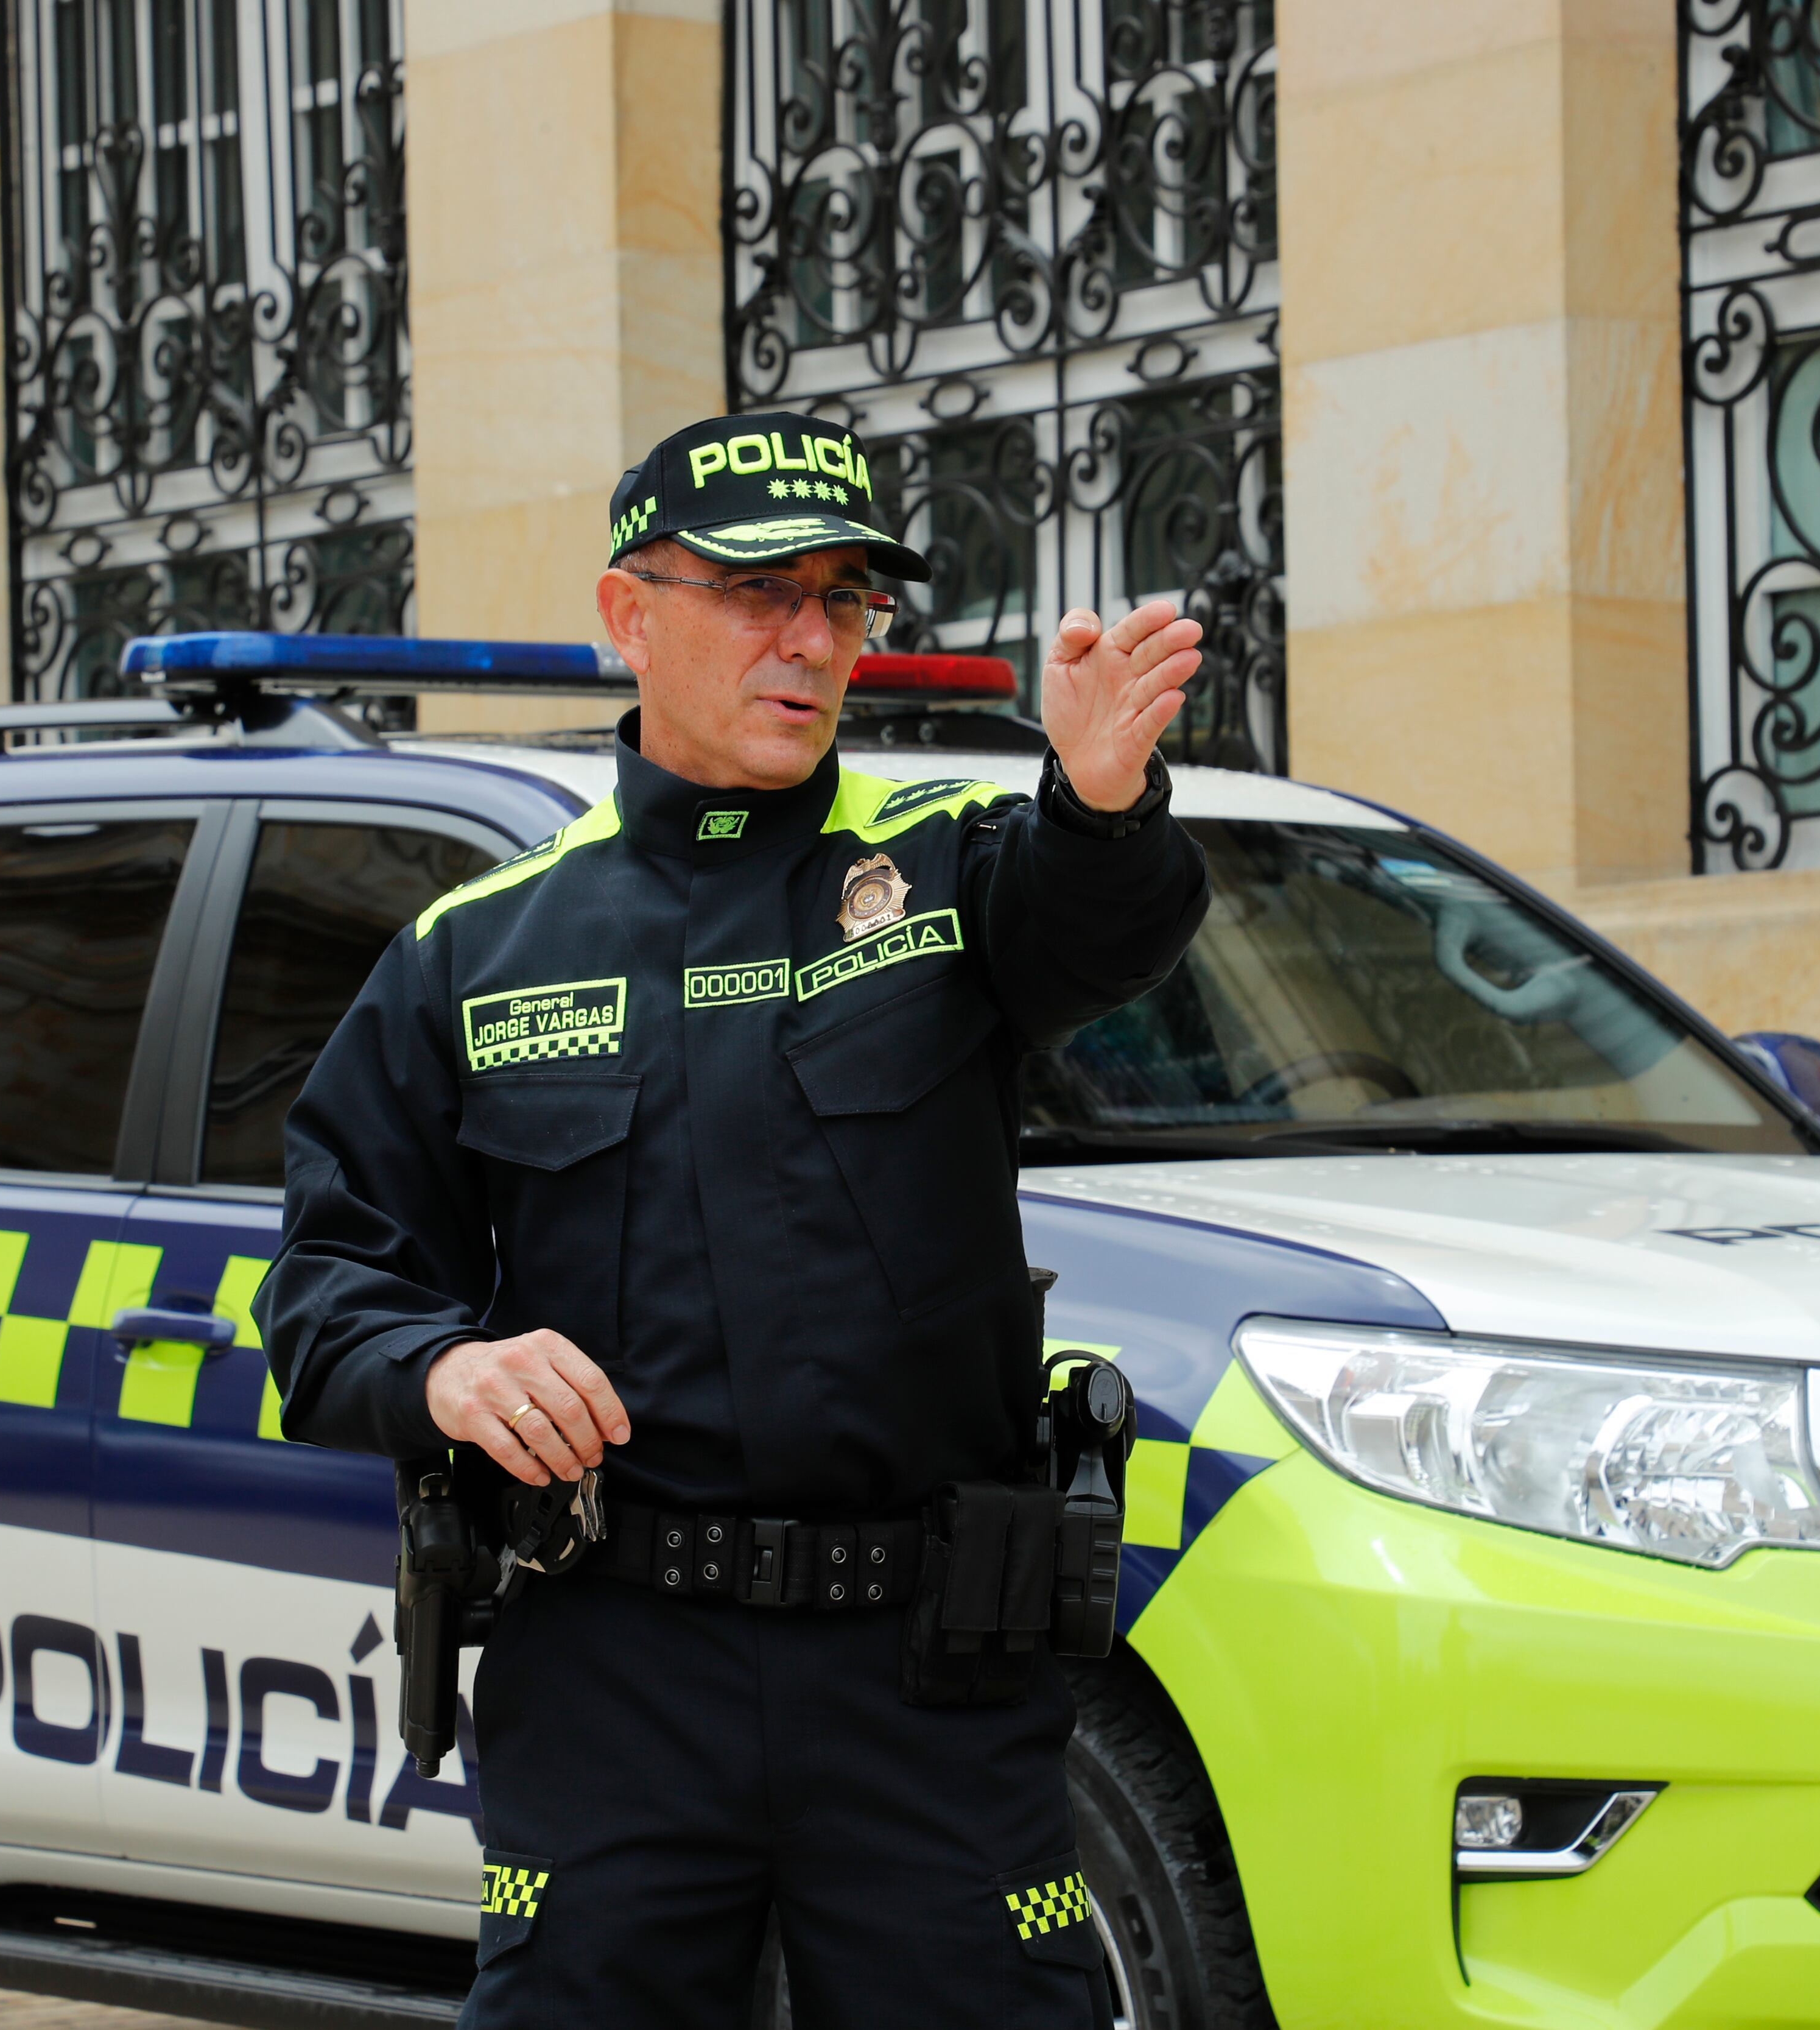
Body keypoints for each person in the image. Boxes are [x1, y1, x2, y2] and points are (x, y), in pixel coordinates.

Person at [263, 410, 1210, 2028]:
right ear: (629, 616)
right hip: (618, 1666)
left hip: (927, 1672)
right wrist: (446, 1373)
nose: (809, 638)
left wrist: (1103, 805)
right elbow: (329, 1286)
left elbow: (1095, 933)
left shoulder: (951, 878)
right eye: (761, 592)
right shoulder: (473, 952)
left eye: (844, 599)